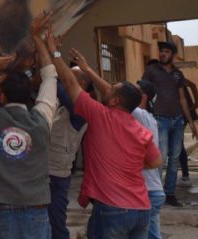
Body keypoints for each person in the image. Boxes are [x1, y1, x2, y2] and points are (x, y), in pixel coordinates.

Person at [38, 18, 161, 239]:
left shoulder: (100, 115)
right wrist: (128, 162)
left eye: (111, 89)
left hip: (112, 208)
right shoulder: (140, 129)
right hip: (142, 209)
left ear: (115, 100)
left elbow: (69, 82)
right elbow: (156, 162)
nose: (107, 88)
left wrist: (53, 51)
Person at [0, 14, 58, 239]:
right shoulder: (42, 119)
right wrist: (36, 37)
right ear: (29, 96)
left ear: (2, 96)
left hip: (0, 212)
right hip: (36, 212)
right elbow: (50, 76)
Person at [142, 41, 198, 207]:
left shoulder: (178, 74)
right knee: (161, 157)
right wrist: (143, 116)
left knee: (174, 158)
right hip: (159, 119)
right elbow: (143, 92)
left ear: (173, 55)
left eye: (166, 51)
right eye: (161, 51)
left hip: (178, 120)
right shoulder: (151, 70)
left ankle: (170, 194)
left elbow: (182, 98)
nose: (163, 54)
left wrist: (191, 123)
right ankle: (155, 192)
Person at [48, 62, 90, 239]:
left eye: (68, 79)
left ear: (81, 84)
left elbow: (57, 86)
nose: (65, 82)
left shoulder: (82, 107)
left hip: (56, 174)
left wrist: (51, 62)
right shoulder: (63, 106)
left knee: (56, 224)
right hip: (47, 171)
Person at [134, 80, 166, 239]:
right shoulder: (147, 117)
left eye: (134, 90)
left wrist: (87, 69)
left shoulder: (139, 114)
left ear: (143, 97)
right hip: (152, 190)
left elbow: (114, 94)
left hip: (148, 191)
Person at [178, 78, 198, 186]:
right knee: (177, 144)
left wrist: (197, 102)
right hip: (173, 115)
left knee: (178, 143)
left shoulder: (176, 77)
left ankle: (185, 174)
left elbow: (193, 85)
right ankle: (184, 174)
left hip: (181, 115)